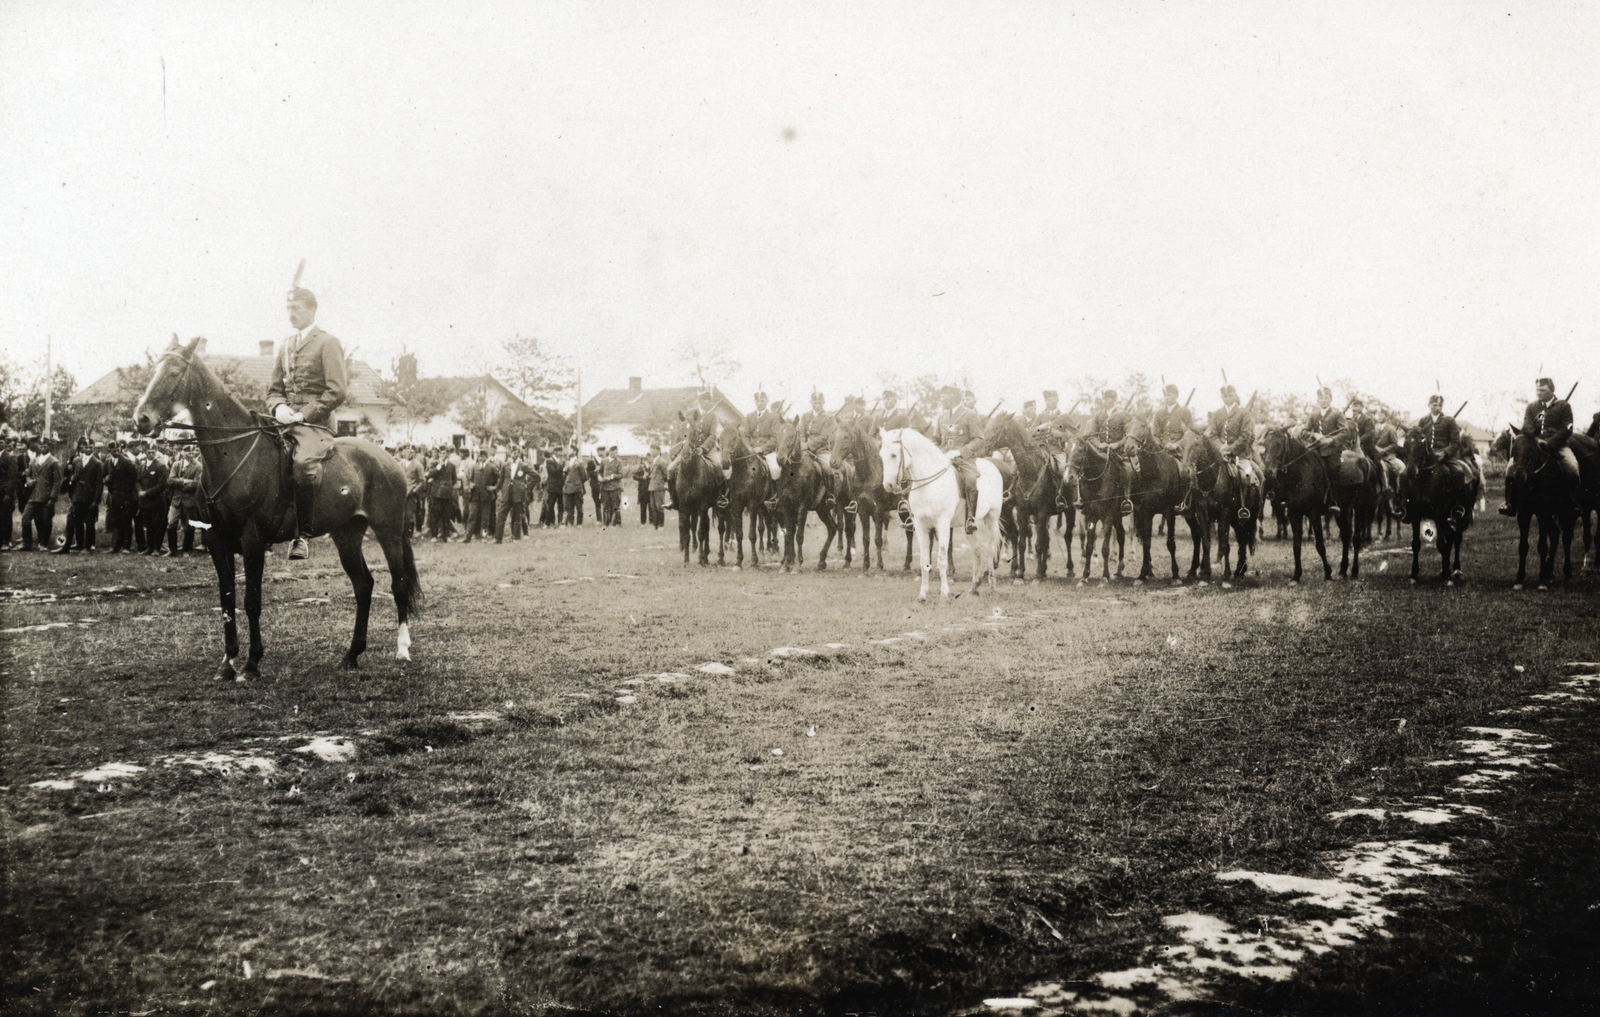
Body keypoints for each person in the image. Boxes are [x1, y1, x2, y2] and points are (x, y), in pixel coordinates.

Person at [265, 273, 348, 560]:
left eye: (295, 309)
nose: (290, 315)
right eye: (287, 310)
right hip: (285, 421)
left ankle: (303, 535)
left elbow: (337, 391)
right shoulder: (285, 345)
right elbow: (273, 390)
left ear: (311, 310)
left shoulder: (328, 343)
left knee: (302, 465)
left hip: (316, 425)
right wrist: (278, 407)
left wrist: (302, 413)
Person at [1500, 377, 1578, 515]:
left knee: (1572, 467)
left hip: (1558, 446)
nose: (1538, 392)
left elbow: (1567, 428)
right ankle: (1510, 504)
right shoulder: (1532, 407)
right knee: (1511, 468)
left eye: (1542, 390)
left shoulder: (1564, 406)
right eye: (1537, 389)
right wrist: (1535, 439)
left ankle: (1573, 504)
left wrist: (1549, 442)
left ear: (1551, 390)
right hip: (1534, 445)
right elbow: (1527, 426)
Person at [1072, 390, 1134, 514]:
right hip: (1100, 452)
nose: (1105, 401)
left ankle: (1126, 500)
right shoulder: (1098, 415)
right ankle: (1082, 500)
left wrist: (1117, 444)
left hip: (1118, 453)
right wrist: (1100, 444)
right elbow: (1091, 435)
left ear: (1114, 399)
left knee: (1128, 471)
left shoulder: (1124, 415)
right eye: (1104, 399)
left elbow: (1128, 435)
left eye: (1109, 398)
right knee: (1083, 469)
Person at [936, 385, 986, 533]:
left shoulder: (970, 415)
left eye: (944, 398)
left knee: (970, 478)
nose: (941, 401)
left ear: (952, 398)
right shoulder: (941, 417)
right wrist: (939, 452)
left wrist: (959, 451)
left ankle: (970, 518)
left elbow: (979, 440)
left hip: (964, 459)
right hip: (943, 458)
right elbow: (934, 439)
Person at [1304, 387, 1350, 511]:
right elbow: (1304, 432)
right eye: (1321, 398)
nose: (1323, 400)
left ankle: (1335, 501)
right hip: (1315, 450)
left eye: (1326, 398)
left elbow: (1345, 431)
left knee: (1333, 470)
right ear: (1317, 400)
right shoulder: (1313, 414)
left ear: (1331, 399)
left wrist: (1331, 440)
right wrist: (1314, 435)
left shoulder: (1337, 414)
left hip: (1332, 451)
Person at [20, 438, 63, 551]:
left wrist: (52, 498)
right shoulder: (34, 460)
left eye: (45, 446)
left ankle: (43, 544)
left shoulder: (54, 462)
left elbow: (57, 482)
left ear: (49, 446)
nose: (42, 447)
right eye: (41, 445)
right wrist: (28, 480)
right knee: (25, 518)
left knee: (46, 520)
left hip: (46, 496)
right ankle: (26, 543)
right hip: (34, 495)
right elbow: (28, 473)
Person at [1209, 385, 1259, 479]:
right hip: (1219, 455)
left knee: (1248, 477)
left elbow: (1245, 436)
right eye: (1225, 396)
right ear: (1222, 397)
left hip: (1239, 456)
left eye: (1231, 395)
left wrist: (1230, 449)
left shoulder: (1244, 413)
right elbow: (1212, 435)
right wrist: (1220, 447)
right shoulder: (1216, 414)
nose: (1228, 398)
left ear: (1236, 395)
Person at [104, 440, 139, 552]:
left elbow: (134, 477)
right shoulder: (108, 461)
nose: (116, 452)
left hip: (126, 496)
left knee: (126, 522)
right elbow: (104, 476)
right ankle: (115, 546)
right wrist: (106, 480)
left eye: (118, 450)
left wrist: (125, 489)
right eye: (113, 450)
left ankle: (126, 546)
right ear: (109, 451)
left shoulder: (127, 462)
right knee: (116, 522)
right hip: (114, 496)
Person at [136, 441, 170, 554]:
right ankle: (149, 547)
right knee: (148, 525)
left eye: (153, 452)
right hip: (145, 501)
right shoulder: (142, 465)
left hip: (156, 501)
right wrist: (140, 491)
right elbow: (138, 480)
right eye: (148, 452)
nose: (151, 454)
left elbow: (162, 485)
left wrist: (147, 492)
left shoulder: (161, 466)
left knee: (157, 525)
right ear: (145, 452)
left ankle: (157, 548)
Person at [496, 450, 531, 542]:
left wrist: (526, 487)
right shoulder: (505, 465)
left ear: (519, 454)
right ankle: (498, 538)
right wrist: (497, 490)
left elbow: (536, 476)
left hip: (518, 494)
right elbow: (501, 480)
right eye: (512, 452)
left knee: (517, 516)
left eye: (515, 452)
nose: (513, 454)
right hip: (506, 494)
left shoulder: (524, 465)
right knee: (501, 515)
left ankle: (516, 537)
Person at [426, 448, 457, 541]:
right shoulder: (435, 464)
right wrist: (439, 466)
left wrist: (448, 486)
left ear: (447, 454)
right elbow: (429, 474)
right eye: (440, 453)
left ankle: (446, 536)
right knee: (435, 513)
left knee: (446, 514)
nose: (442, 455)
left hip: (447, 493)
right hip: (436, 492)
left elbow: (454, 479)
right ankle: (434, 536)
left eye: (444, 453)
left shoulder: (452, 465)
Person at [1151, 384, 1193, 452]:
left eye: (1169, 395)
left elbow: (1190, 433)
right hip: (1161, 451)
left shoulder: (1185, 412)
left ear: (1176, 396)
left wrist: (1176, 444)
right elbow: (1156, 434)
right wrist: (1158, 445)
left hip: (1179, 451)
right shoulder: (1159, 413)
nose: (1166, 398)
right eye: (1165, 395)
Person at [0, 437, 20, 549]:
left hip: (4, 492)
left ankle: (5, 542)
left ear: (4, 443)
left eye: (1, 442)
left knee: (5, 517)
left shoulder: (10, 457)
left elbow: (12, 478)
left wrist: (8, 494)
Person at [562, 447, 588, 526]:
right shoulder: (566, 462)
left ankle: (579, 523)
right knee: (569, 506)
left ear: (575, 451)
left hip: (577, 488)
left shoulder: (580, 462)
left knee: (579, 506)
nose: (568, 451)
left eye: (570, 450)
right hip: (567, 488)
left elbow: (584, 476)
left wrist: (577, 482)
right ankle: (570, 522)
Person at [599, 446, 624, 526]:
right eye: (615, 452)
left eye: (617, 452)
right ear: (610, 452)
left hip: (615, 487)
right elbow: (599, 472)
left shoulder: (619, 462)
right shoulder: (604, 461)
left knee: (615, 505)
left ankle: (615, 523)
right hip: (605, 487)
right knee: (605, 505)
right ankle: (605, 523)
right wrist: (599, 478)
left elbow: (621, 474)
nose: (616, 454)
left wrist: (612, 476)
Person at [648, 443, 668, 528]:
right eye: (651, 449)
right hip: (652, 487)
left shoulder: (662, 461)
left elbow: (666, 475)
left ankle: (661, 525)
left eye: (653, 449)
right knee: (653, 507)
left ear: (658, 451)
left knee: (659, 506)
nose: (651, 451)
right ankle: (655, 525)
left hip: (659, 487)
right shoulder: (653, 461)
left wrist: (664, 484)